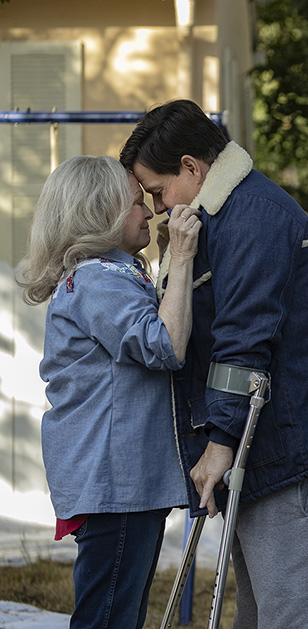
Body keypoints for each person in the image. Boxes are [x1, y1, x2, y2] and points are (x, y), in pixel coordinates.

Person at [120, 99, 308, 628]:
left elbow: (243, 341)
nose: (158, 207)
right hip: (268, 454)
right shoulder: (225, 214)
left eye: (158, 191)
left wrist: (220, 442)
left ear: (192, 168)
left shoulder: (253, 216)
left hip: (295, 455)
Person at [16, 155, 202, 628]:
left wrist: (166, 267)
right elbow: (163, 344)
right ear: (101, 214)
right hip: (117, 482)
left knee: (117, 613)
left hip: (121, 480)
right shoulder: (99, 279)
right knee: (108, 618)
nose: (150, 212)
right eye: (138, 203)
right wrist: (180, 258)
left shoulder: (110, 275)